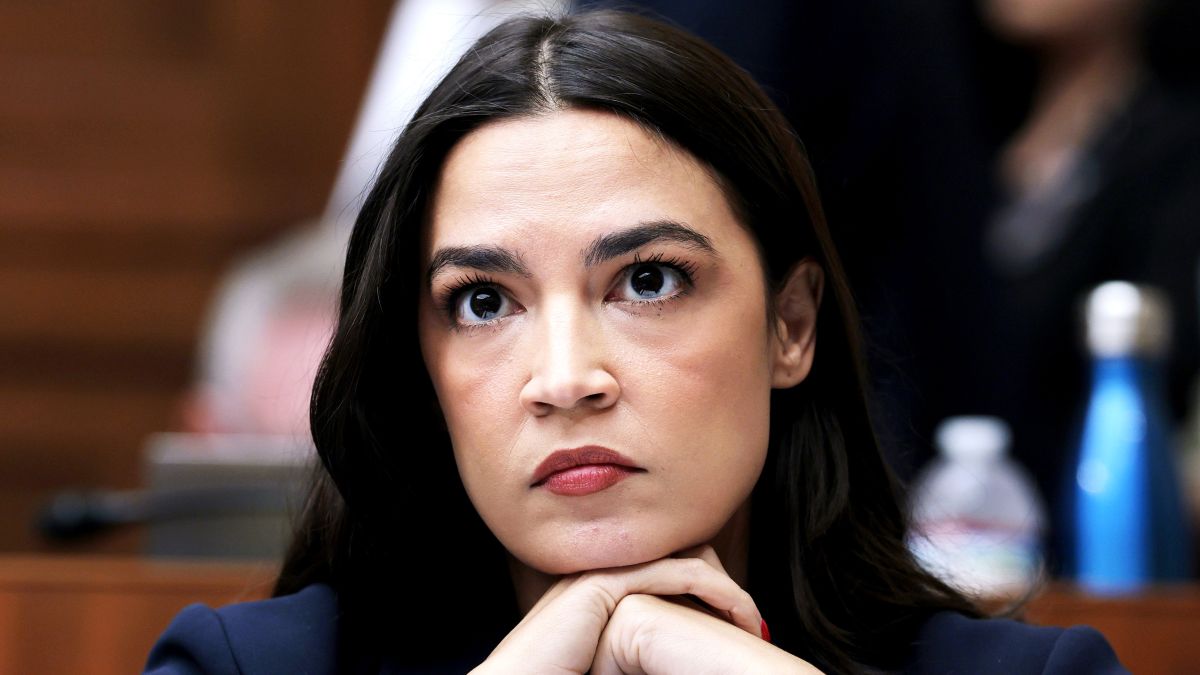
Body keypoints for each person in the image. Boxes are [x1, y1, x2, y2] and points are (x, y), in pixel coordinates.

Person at [145, 10, 1127, 674]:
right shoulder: (246, 665)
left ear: (791, 325)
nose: (566, 378)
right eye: (483, 301)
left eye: (648, 281)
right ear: (421, 362)